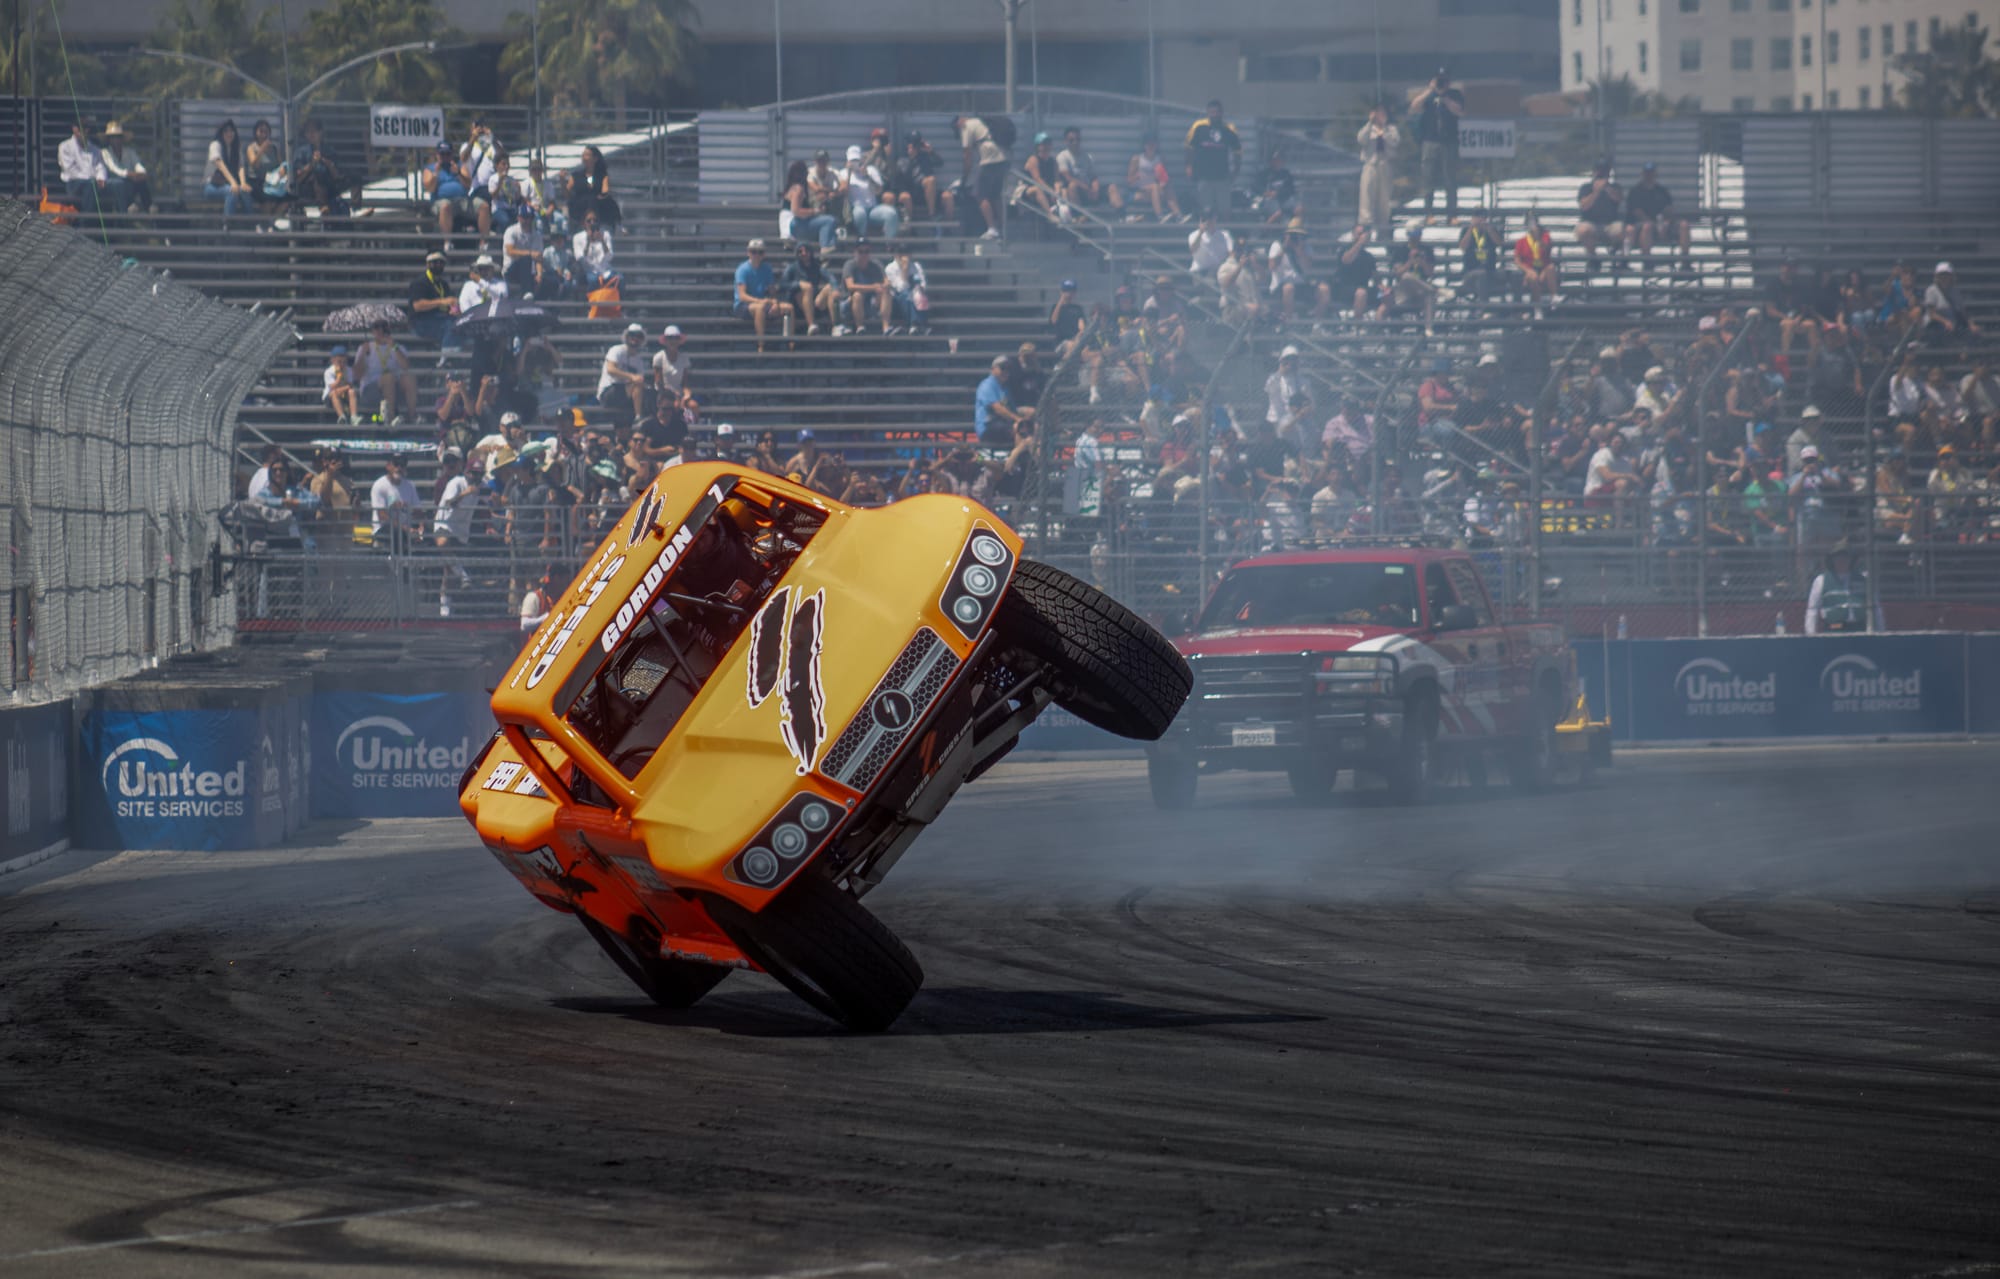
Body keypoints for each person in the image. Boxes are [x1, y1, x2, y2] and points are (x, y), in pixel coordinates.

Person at [432, 450, 480, 617]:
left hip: (461, 531)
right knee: (443, 544)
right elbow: (448, 502)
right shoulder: (457, 482)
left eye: (478, 474)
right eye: (473, 473)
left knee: (448, 571)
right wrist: (465, 493)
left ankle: (446, 606)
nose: (475, 477)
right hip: (444, 523)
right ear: (466, 472)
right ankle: (464, 575)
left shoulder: (479, 489)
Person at [1411, 70, 1464, 222]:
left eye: (1444, 81)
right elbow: (1414, 106)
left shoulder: (1454, 94)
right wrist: (1430, 90)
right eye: (1438, 80)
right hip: (1430, 141)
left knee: (1450, 180)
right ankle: (1429, 213)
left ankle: (1452, 214)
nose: (1441, 84)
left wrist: (1444, 97)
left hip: (1449, 142)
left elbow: (1460, 111)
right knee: (1428, 178)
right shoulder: (1429, 96)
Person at [952, 114, 1010, 239]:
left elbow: (967, 156)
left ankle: (992, 229)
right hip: (1004, 158)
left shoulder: (966, 126)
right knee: (995, 195)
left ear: (958, 123)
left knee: (979, 194)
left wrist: (964, 177)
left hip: (990, 160)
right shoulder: (981, 122)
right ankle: (1003, 228)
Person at [1184, 99, 1241, 219]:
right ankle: (1205, 235)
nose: (1215, 115)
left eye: (1217, 112)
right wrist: (1189, 166)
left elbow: (1238, 151)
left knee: (1225, 210)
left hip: (1222, 177)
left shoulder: (1229, 129)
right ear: (1208, 112)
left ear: (1221, 113)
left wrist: (1235, 171)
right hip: (1203, 176)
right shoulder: (1199, 127)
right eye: (1212, 112)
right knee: (1205, 210)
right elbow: (1189, 147)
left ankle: (1226, 234)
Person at [732, 239, 793, 351]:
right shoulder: (742, 269)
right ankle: (761, 344)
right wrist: (760, 301)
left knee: (789, 308)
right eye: (753, 252)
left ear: (763, 254)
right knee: (760, 309)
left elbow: (772, 291)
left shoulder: (766, 268)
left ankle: (790, 341)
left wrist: (775, 303)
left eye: (759, 252)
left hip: (761, 302)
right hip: (742, 305)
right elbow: (742, 296)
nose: (756, 255)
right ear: (748, 253)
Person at [1804, 544, 1879, 634]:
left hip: (1860, 630)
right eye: (1838, 557)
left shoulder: (1864, 579)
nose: (1842, 560)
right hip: (1834, 630)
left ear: (1851, 560)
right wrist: (1810, 633)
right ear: (1832, 560)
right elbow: (1813, 609)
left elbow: (1876, 607)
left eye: (1845, 557)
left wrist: (1880, 631)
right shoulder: (1821, 580)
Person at [1624, 162, 1690, 264]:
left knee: (1684, 225)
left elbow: (1669, 209)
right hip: (1643, 225)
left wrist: (1666, 222)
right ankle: (1647, 261)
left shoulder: (1662, 191)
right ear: (1642, 175)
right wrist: (1654, 225)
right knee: (1647, 227)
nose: (1649, 176)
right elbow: (1637, 213)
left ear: (1655, 175)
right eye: (1647, 173)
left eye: (1651, 173)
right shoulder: (1635, 191)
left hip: (1662, 223)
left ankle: (1685, 261)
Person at [354, 321, 418, 427]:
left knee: (409, 378)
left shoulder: (397, 347)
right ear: (372, 331)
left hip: (394, 387)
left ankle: (413, 416)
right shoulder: (366, 348)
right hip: (371, 390)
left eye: (383, 327)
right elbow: (356, 376)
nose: (380, 330)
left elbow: (406, 367)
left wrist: (393, 346)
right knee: (388, 378)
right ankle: (390, 420)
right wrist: (362, 355)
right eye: (377, 327)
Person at [1574, 161, 1625, 273]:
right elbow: (1584, 206)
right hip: (1591, 223)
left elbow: (1619, 199)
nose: (1601, 175)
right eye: (1599, 172)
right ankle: (1593, 258)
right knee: (1584, 230)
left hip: (1610, 224)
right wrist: (1596, 192)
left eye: (1604, 172)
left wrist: (1607, 189)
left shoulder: (1615, 187)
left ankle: (1616, 255)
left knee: (1622, 229)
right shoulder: (1586, 188)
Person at [1055, 126, 1120, 214]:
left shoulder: (1087, 157)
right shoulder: (1062, 156)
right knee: (1072, 186)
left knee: (1112, 187)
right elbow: (1068, 178)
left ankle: (1122, 216)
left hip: (1089, 191)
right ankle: (1078, 217)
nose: (1075, 142)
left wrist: (1095, 188)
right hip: (1077, 193)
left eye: (1078, 139)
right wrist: (1087, 188)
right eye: (1071, 140)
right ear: (1066, 141)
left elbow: (1093, 176)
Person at [289, 116, 348, 213]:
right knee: (317, 176)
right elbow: (298, 177)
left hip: (330, 187)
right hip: (308, 189)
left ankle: (355, 209)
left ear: (320, 132)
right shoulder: (301, 152)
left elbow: (337, 176)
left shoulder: (329, 151)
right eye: (308, 132)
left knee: (355, 177)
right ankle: (323, 207)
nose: (311, 134)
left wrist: (329, 164)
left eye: (314, 131)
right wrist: (312, 164)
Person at [783, 241, 843, 336]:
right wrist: (798, 284)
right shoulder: (792, 268)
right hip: (798, 304)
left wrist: (835, 288)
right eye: (800, 251)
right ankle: (811, 324)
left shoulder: (816, 267)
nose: (804, 253)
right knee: (807, 288)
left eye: (806, 251)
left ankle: (836, 325)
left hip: (814, 303)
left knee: (829, 287)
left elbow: (830, 277)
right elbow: (784, 284)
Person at [1355, 104, 1400, 232]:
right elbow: (1361, 139)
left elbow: (1395, 142)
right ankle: (1366, 223)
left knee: (1384, 198)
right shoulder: (1368, 129)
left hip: (1385, 164)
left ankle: (1383, 225)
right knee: (1367, 195)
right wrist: (1370, 123)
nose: (1380, 115)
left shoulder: (1391, 129)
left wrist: (1383, 132)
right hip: (1370, 164)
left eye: (1383, 113)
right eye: (1378, 112)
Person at [841, 143, 899, 240]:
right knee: (860, 214)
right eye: (852, 160)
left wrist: (867, 176)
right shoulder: (843, 173)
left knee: (891, 213)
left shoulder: (871, 170)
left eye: (857, 160)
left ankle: (889, 243)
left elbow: (879, 190)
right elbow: (844, 193)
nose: (855, 162)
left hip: (873, 209)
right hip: (855, 208)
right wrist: (849, 173)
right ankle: (862, 241)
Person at [598, 323, 652, 424]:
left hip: (626, 393)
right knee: (637, 384)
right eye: (632, 335)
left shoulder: (639, 360)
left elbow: (640, 380)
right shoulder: (616, 350)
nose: (635, 338)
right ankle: (638, 416)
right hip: (609, 391)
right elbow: (610, 369)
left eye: (638, 336)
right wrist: (632, 376)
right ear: (627, 337)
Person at [1125, 133, 1184, 223]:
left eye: (1153, 144)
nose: (1151, 147)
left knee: (1168, 188)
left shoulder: (1160, 159)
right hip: (1139, 191)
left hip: (1155, 192)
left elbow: (1164, 178)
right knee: (1154, 187)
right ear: (1144, 145)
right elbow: (1129, 181)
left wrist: (1163, 182)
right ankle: (1160, 216)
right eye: (1148, 144)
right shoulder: (1137, 159)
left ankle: (1178, 215)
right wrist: (1136, 177)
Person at [894, 131, 953, 222]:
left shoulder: (925, 156)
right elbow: (903, 177)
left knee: (947, 196)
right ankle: (910, 229)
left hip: (930, 193)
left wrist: (931, 151)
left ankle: (940, 222)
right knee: (905, 196)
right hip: (913, 192)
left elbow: (940, 163)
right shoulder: (902, 159)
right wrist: (911, 158)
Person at [57, 117, 110, 216]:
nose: (84, 130)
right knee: (91, 186)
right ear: (74, 128)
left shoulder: (95, 149)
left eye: (86, 127)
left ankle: (119, 222)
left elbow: (100, 166)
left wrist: (101, 178)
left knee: (114, 184)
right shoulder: (64, 146)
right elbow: (70, 170)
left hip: (93, 184)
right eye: (81, 127)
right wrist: (92, 179)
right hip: (73, 184)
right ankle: (87, 222)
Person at [203, 120, 253, 221]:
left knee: (245, 191)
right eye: (226, 131)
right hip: (211, 186)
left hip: (228, 184)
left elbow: (240, 166)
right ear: (221, 133)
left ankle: (252, 223)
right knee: (232, 192)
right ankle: (227, 225)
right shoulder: (215, 145)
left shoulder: (236, 147)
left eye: (231, 131)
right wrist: (233, 182)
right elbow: (219, 164)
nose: (229, 134)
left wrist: (243, 183)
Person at [97, 121, 152, 212]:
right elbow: (113, 168)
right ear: (109, 139)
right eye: (113, 137)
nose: (116, 140)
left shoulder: (130, 152)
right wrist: (130, 174)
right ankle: (129, 207)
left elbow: (137, 164)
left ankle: (149, 207)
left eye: (118, 137)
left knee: (141, 183)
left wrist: (141, 173)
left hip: (129, 182)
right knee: (121, 184)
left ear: (121, 138)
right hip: (113, 186)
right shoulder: (105, 152)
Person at [975, 356, 1033, 442]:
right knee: (1018, 428)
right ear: (993, 369)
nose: (1006, 372)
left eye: (1008, 369)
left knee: (1030, 421)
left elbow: (1011, 409)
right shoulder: (987, 385)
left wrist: (1028, 414)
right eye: (1002, 368)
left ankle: (1023, 451)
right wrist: (1018, 419)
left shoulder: (1005, 387)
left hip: (1003, 423)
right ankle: (1017, 454)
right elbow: (998, 409)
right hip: (988, 427)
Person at [782, 159, 837, 250]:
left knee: (828, 227)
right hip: (794, 225)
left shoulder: (793, 187)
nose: (808, 173)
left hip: (794, 225)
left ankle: (828, 249)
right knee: (829, 220)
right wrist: (815, 211)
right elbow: (796, 211)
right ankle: (826, 247)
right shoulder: (798, 189)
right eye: (805, 171)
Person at [841, 239, 892, 336]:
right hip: (850, 303)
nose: (864, 254)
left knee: (886, 292)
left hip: (870, 302)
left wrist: (882, 287)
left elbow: (887, 282)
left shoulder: (876, 265)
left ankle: (886, 327)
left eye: (867, 251)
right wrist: (873, 287)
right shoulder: (849, 265)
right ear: (855, 252)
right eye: (860, 251)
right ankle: (860, 327)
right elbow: (850, 286)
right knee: (857, 295)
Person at [1515, 210, 1558, 316]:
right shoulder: (1521, 241)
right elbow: (1517, 260)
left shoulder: (1545, 236)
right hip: (1530, 270)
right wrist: (1528, 270)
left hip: (1544, 269)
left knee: (1551, 268)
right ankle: (1537, 308)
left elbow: (1546, 247)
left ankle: (1554, 298)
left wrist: (1538, 237)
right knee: (1533, 277)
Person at [567, 145, 620, 231]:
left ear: (595, 158)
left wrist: (601, 195)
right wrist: (562, 181)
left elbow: (605, 190)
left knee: (598, 201)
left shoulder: (602, 175)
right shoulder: (576, 175)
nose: (584, 157)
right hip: (580, 205)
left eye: (587, 155)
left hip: (597, 205)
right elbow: (567, 192)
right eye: (583, 155)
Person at [370, 455, 420, 542]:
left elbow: (418, 511)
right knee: (398, 533)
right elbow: (382, 516)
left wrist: (421, 526)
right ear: (388, 466)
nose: (399, 468)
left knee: (428, 535)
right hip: (384, 529)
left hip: (406, 528)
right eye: (396, 464)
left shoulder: (410, 486)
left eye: (403, 465)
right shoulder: (380, 485)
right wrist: (405, 529)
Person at [1457, 209, 1504, 302]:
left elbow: (1499, 243)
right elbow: (1463, 246)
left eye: (1483, 217)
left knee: (1488, 275)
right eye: (1478, 217)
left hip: (1490, 270)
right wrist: (1471, 229)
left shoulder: (1492, 230)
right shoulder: (1466, 230)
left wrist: (1489, 230)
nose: (1480, 220)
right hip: (1470, 272)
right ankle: (1483, 306)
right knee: (1481, 275)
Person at [883, 243, 929, 334]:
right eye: (900, 253)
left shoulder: (916, 266)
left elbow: (923, 283)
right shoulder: (890, 268)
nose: (903, 256)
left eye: (905, 253)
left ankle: (916, 325)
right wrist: (904, 270)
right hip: (897, 299)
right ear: (895, 255)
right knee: (906, 294)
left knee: (918, 295)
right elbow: (900, 288)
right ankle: (914, 323)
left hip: (914, 296)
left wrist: (919, 288)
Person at [1251, 144, 1299, 225]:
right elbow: (1255, 186)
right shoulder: (1264, 174)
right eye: (1275, 160)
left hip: (1284, 199)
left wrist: (1278, 193)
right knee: (1278, 213)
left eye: (1279, 160)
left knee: (1298, 208)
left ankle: (1295, 229)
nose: (1277, 162)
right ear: (1271, 161)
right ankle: (1265, 229)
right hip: (1269, 201)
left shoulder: (1286, 174)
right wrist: (1266, 192)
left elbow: (1291, 189)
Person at [570, 211, 616, 292]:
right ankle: (593, 303)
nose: (592, 223)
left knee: (620, 279)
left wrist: (602, 241)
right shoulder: (577, 237)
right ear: (583, 223)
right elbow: (580, 259)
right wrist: (588, 242)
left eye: (595, 220)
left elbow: (609, 257)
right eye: (589, 221)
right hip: (588, 270)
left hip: (604, 270)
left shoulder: (606, 235)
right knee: (593, 280)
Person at [243, 119, 285, 206]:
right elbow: (255, 165)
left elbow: (281, 165)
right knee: (268, 199)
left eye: (266, 132)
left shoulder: (274, 148)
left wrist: (281, 171)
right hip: (256, 182)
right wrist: (261, 149)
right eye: (261, 131)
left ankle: (273, 218)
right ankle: (268, 218)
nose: (263, 134)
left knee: (286, 200)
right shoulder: (251, 148)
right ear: (256, 133)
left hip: (272, 181)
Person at [1189, 209, 1232, 278]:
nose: (1208, 221)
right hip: (1200, 271)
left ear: (1215, 218)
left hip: (1219, 271)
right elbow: (1193, 250)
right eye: (1205, 219)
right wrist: (1201, 232)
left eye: (1210, 218)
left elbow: (1230, 253)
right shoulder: (1193, 235)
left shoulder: (1225, 235)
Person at [323, 346, 360, 425]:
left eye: (343, 361)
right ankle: (341, 417)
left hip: (344, 394)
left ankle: (354, 416)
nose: (342, 364)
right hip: (330, 397)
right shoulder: (329, 372)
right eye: (339, 361)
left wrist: (344, 387)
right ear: (333, 360)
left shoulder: (348, 370)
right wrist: (339, 376)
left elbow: (350, 385)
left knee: (352, 392)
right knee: (334, 393)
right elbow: (332, 387)